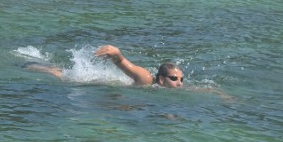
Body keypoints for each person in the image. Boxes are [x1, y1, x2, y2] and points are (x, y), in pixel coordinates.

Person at [26, 44, 184, 89]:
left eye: (181, 79)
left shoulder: (163, 87)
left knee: (63, 71)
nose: (180, 83)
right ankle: (31, 65)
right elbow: (124, 64)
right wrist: (117, 54)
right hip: (89, 80)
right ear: (162, 80)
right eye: (175, 78)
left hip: (106, 80)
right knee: (65, 77)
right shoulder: (146, 79)